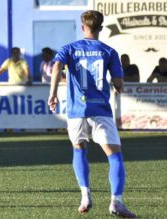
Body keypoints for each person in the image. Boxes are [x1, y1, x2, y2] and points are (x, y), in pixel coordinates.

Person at [48, 10, 136, 218]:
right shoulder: (109, 51)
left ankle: (85, 196)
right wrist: (117, 85)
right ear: (101, 27)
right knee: (114, 156)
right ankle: (117, 201)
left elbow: (57, 66)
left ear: (82, 26)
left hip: (77, 110)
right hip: (100, 110)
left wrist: (52, 94)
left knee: (79, 151)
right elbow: (119, 84)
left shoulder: (69, 48)